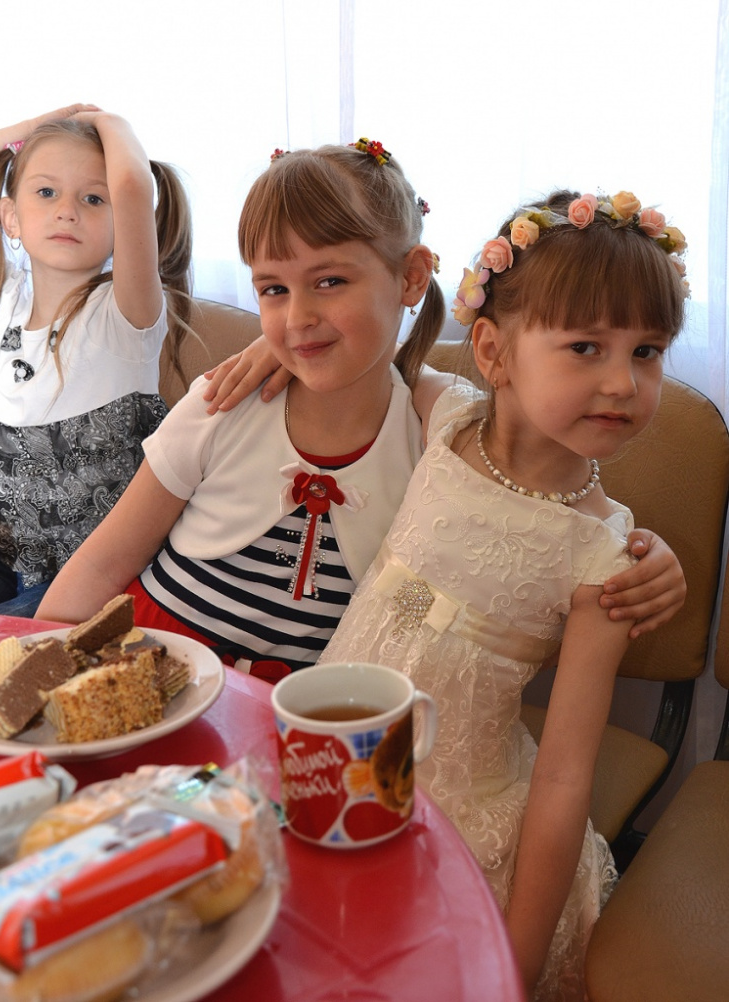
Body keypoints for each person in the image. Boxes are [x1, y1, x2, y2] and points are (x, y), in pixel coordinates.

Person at [38, 144, 684, 677]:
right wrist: (38, 672)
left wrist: (637, 551)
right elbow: (103, 562)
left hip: (304, 718)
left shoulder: (441, 431)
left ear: (411, 277)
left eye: (330, 282)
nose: (298, 316)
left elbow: (538, 469)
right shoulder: (223, 401)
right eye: (274, 289)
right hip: (144, 672)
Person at [319, 189, 689, 1000]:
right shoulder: (444, 418)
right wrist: (262, 355)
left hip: (457, 818)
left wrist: (509, 967)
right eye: (585, 346)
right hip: (340, 754)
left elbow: (561, 780)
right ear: (491, 350)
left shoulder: (602, 558)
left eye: (647, 351)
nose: (623, 382)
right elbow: (355, 352)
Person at [0, 104, 193, 614]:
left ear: (124, 224)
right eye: (46, 192)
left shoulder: (125, 317)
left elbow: (134, 187)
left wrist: (110, 122)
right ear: (10, 216)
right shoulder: (5, 298)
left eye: (94, 198)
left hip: (87, 578)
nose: (67, 211)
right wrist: (30, 129)